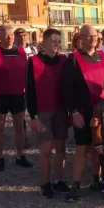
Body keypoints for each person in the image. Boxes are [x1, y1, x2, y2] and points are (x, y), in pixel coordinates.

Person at [62, 24, 104, 202]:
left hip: (102, 110)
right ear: (81, 38)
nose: (93, 38)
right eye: (89, 36)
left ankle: (96, 178)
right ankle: (76, 183)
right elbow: (67, 90)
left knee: (98, 146)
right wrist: (74, 112)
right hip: (83, 110)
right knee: (82, 147)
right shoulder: (73, 59)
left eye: (95, 35)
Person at [26, 28, 69, 198]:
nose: (57, 45)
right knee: (45, 150)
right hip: (43, 112)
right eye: (53, 41)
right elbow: (29, 90)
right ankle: (45, 183)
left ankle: (59, 180)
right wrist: (33, 116)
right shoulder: (33, 61)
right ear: (44, 42)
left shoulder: (64, 60)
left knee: (61, 149)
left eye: (59, 41)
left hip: (60, 110)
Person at [0, 25, 33, 172]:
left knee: (20, 128)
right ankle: (0, 158)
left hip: (18, 95)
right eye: (5, 35)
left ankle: (20, 156)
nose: (9, 37)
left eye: (11, 34)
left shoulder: (22, 52)